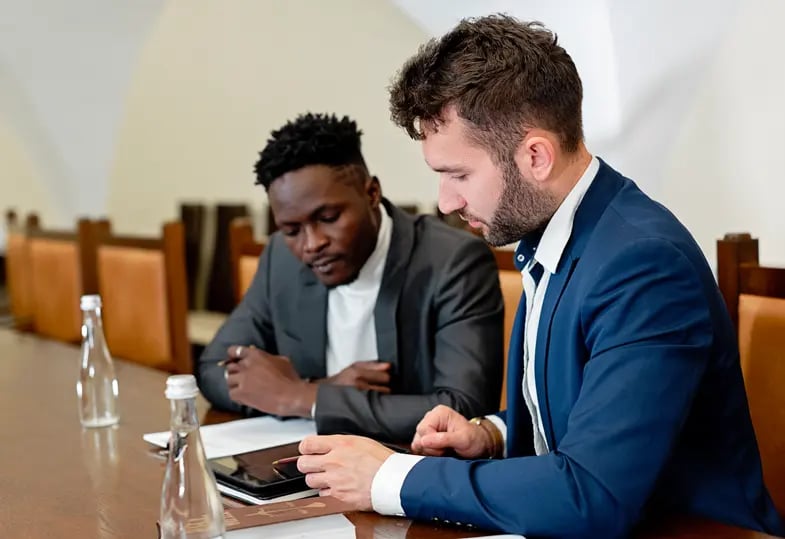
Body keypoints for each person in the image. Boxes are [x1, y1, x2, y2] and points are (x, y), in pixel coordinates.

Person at [295, 16, 785, 538]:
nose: (446, 202)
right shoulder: (555, 233)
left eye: (458, 174)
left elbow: (593, 495)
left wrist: (390, 477)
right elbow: (589, 414)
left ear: (535, 155)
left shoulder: (644, 265)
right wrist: (492, 433)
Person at [196, 113, 504, 443]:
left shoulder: (453, 261)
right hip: (305, 461)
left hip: (405, 463)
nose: (312, 244)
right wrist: (318, 390)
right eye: (292, 230)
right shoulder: (280, 259)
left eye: (329, 217)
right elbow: (213, 368)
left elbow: (464, 409)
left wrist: (303, 397)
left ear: (371, 193)